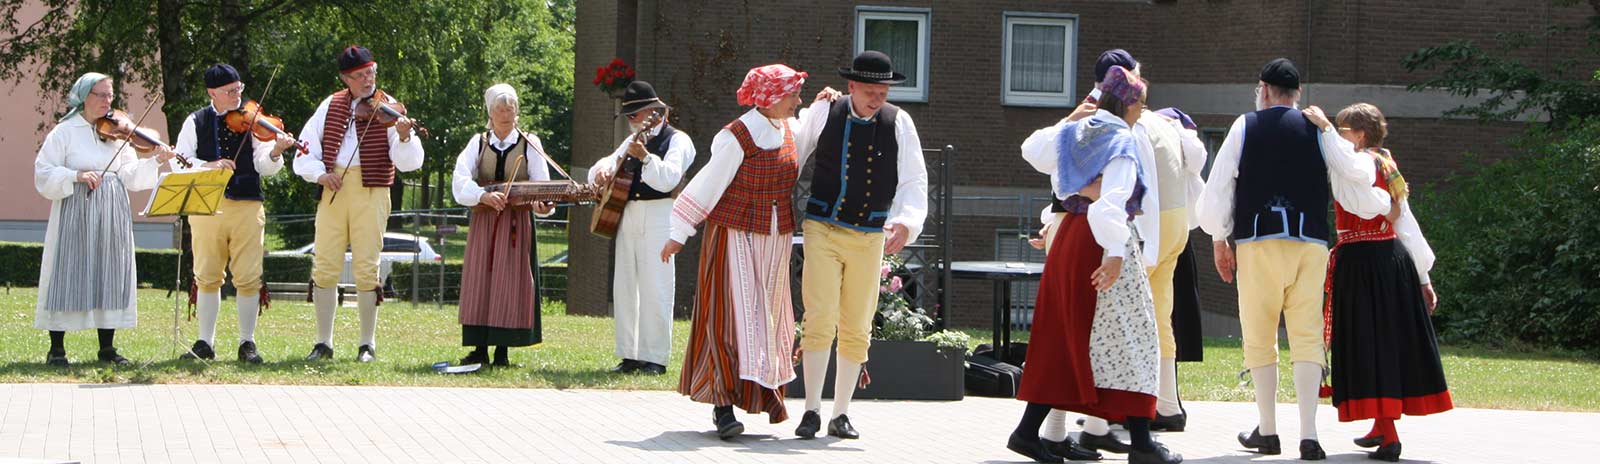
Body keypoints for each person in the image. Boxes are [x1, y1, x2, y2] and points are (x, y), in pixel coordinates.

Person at [1196, 58, 1390, 460]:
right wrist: (1330, 132)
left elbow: (1219, 189)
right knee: (1306, 335)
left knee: (1259, 334)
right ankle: (1309, 435)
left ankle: (1268, 431)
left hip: (1257, 241)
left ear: (1263, 89)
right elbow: (1354, 173)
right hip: (1311, 242)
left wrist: (1219, 236)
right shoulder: (1319, 131)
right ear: (1298, 93)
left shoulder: (1244, 126)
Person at [1011, 66, 1180, 464]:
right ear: (1129, 102)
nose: (1143, 110)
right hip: (1100, 243)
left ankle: (1028, 432)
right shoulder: (1121, 137)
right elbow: (1112, 203)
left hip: (1069, 235)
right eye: (1141, 102)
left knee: (1066, 336)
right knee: (1135, 337)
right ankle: (1141, 443)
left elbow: (1032, 150)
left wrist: (1070, 175)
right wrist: (1116, 254)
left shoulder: (1075, 131)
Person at [662, 64, 811, 440]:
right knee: (727, 319)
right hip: (733, 236)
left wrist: (826, 104)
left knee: (767, 322)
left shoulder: (787, 128)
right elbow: (707, 184)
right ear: (772, 97)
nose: (798, 100)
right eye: (793, 93)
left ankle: (762, 396)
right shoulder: (737, 136)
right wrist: (679, 232)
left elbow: (811, 128)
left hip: (774, 240)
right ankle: (722, 406)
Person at [789, 50, 929, 440]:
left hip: (869, 235)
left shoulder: (899, 122)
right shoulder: (824, 111)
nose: (877, 98)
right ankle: (812, 410)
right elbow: (793, 152)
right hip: (822, 228)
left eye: (882, 91)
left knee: (857, 325)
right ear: (852, 87)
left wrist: (906, 222)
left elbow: (913, 178)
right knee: (818, 316)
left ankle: (841, 413)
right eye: (869, 90)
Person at [1315, 103, 1452, 462]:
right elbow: (1404, 221)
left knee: (1373, 344)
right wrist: (1422, 276)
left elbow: (1385, 209)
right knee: (1382, 342)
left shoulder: (1359, 164)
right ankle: (1380, 425)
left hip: (1366, 263)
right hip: (1389, 260)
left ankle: (1389, 436)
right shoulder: (1385, 164)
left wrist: (1326, 129)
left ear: (1359, 135)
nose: (1338, 137)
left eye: (1345, 131)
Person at [33, 72, 176, 366]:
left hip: (112, 207)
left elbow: (131, 176)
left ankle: (107, 348)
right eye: (100, 95)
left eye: (110, 95)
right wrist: (76, 175)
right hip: (77, 205)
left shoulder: (118, 134)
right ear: (84, 96)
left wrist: (155, 161)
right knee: (68, 269)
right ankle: (57, 349)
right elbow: (43, 172)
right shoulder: (64, 132)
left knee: (110, 271)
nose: (107, 101)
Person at [293, 45, 424, 362]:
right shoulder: (330, 105)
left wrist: (405, 136)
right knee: (324, 264)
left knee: (367, 266)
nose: (368, 80)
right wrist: (320, 175)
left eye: (371, 73)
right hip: (334, 189)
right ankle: (323, 342)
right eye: (361, 75)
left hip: (372, 190)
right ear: (345, 78)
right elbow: (303, 151)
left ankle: (367, 344)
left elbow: (409, 163)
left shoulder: (389, 108)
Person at [172, 63, 297, 363]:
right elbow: (179, 161)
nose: (236, 96)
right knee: (207, 276)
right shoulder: (195, 120)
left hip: (247, 204)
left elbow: (263, 164)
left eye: (238, 89)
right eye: (229, 92)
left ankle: (247, 343)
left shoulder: (252, 121)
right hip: (207, 206)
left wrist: (276, 151)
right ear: (211, 92)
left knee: (249, 276)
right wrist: (209, 165)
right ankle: (205, 342)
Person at [588, 81, 695, 376]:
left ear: (654, 112)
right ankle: (629, 354)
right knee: (626, 285)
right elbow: (607, 161)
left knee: (656, 284)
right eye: (630, 116)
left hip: (660, 213)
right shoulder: (635, 138)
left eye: (635, 115)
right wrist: (601, 171)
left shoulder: (678, 140)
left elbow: (669, 179)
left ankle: (656, 358)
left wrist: (645, 158)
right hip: (628, 213)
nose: (632, 121)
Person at [450, 83, 557, 367]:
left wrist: (541, 204)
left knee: (509, 281)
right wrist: (483, 195)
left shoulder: (529, 142)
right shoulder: (479, 142)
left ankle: (502, 351)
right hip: (485, 220)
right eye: (501, 110)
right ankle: (479, 348)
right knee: (480, 280)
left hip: (515, 223)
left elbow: (541, 185)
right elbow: (460, 180)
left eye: (511, 110)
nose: (507, 115)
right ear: (490, 113)